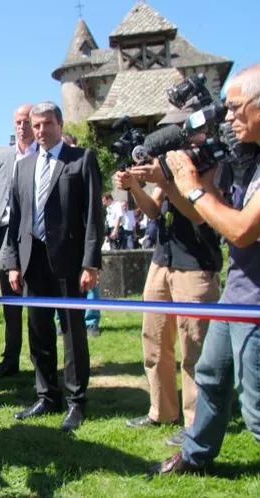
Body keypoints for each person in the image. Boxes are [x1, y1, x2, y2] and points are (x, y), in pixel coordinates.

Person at [154, 63, 260, 475]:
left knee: (255, 408)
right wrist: (199, 178)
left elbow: (241, 230)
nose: (228, 119)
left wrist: (192, 186)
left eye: (235, 109)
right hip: (238, 292)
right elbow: (221, 213)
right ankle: (196, 455)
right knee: (211, 375)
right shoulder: (249, 160)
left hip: (255, 306)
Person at [115, 105, 222, 447]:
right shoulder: (166, 165)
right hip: (162, 260)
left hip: (196, 263)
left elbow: (199, 213)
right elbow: (154, 210)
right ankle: (162, 411)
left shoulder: (209, 161)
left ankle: (195, 422)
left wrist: (167, 181)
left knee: (194, 348)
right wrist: (134, 186)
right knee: (155, 339)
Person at [0, 101, 103, 432]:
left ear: (59, 123)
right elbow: (16, 218)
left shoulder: (80, 159)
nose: (41, 130)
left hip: (69, 262)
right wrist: (13, 263)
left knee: (72, 332)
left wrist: (90, 263)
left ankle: (76, 401)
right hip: (33, 261)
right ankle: (47, 395)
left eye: (47, 124)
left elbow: (92, 218)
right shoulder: (24, 166)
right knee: (38, 331)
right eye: (36, 125)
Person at [0, 103, 37, 379]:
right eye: (18, 122)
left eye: (27, 121)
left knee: (35, 301)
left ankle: (39, 358)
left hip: (33, 235)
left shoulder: (43, 155)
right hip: (6, 236)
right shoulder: (2, 157)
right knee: (10, 303)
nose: (22, 126)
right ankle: (10, 359)